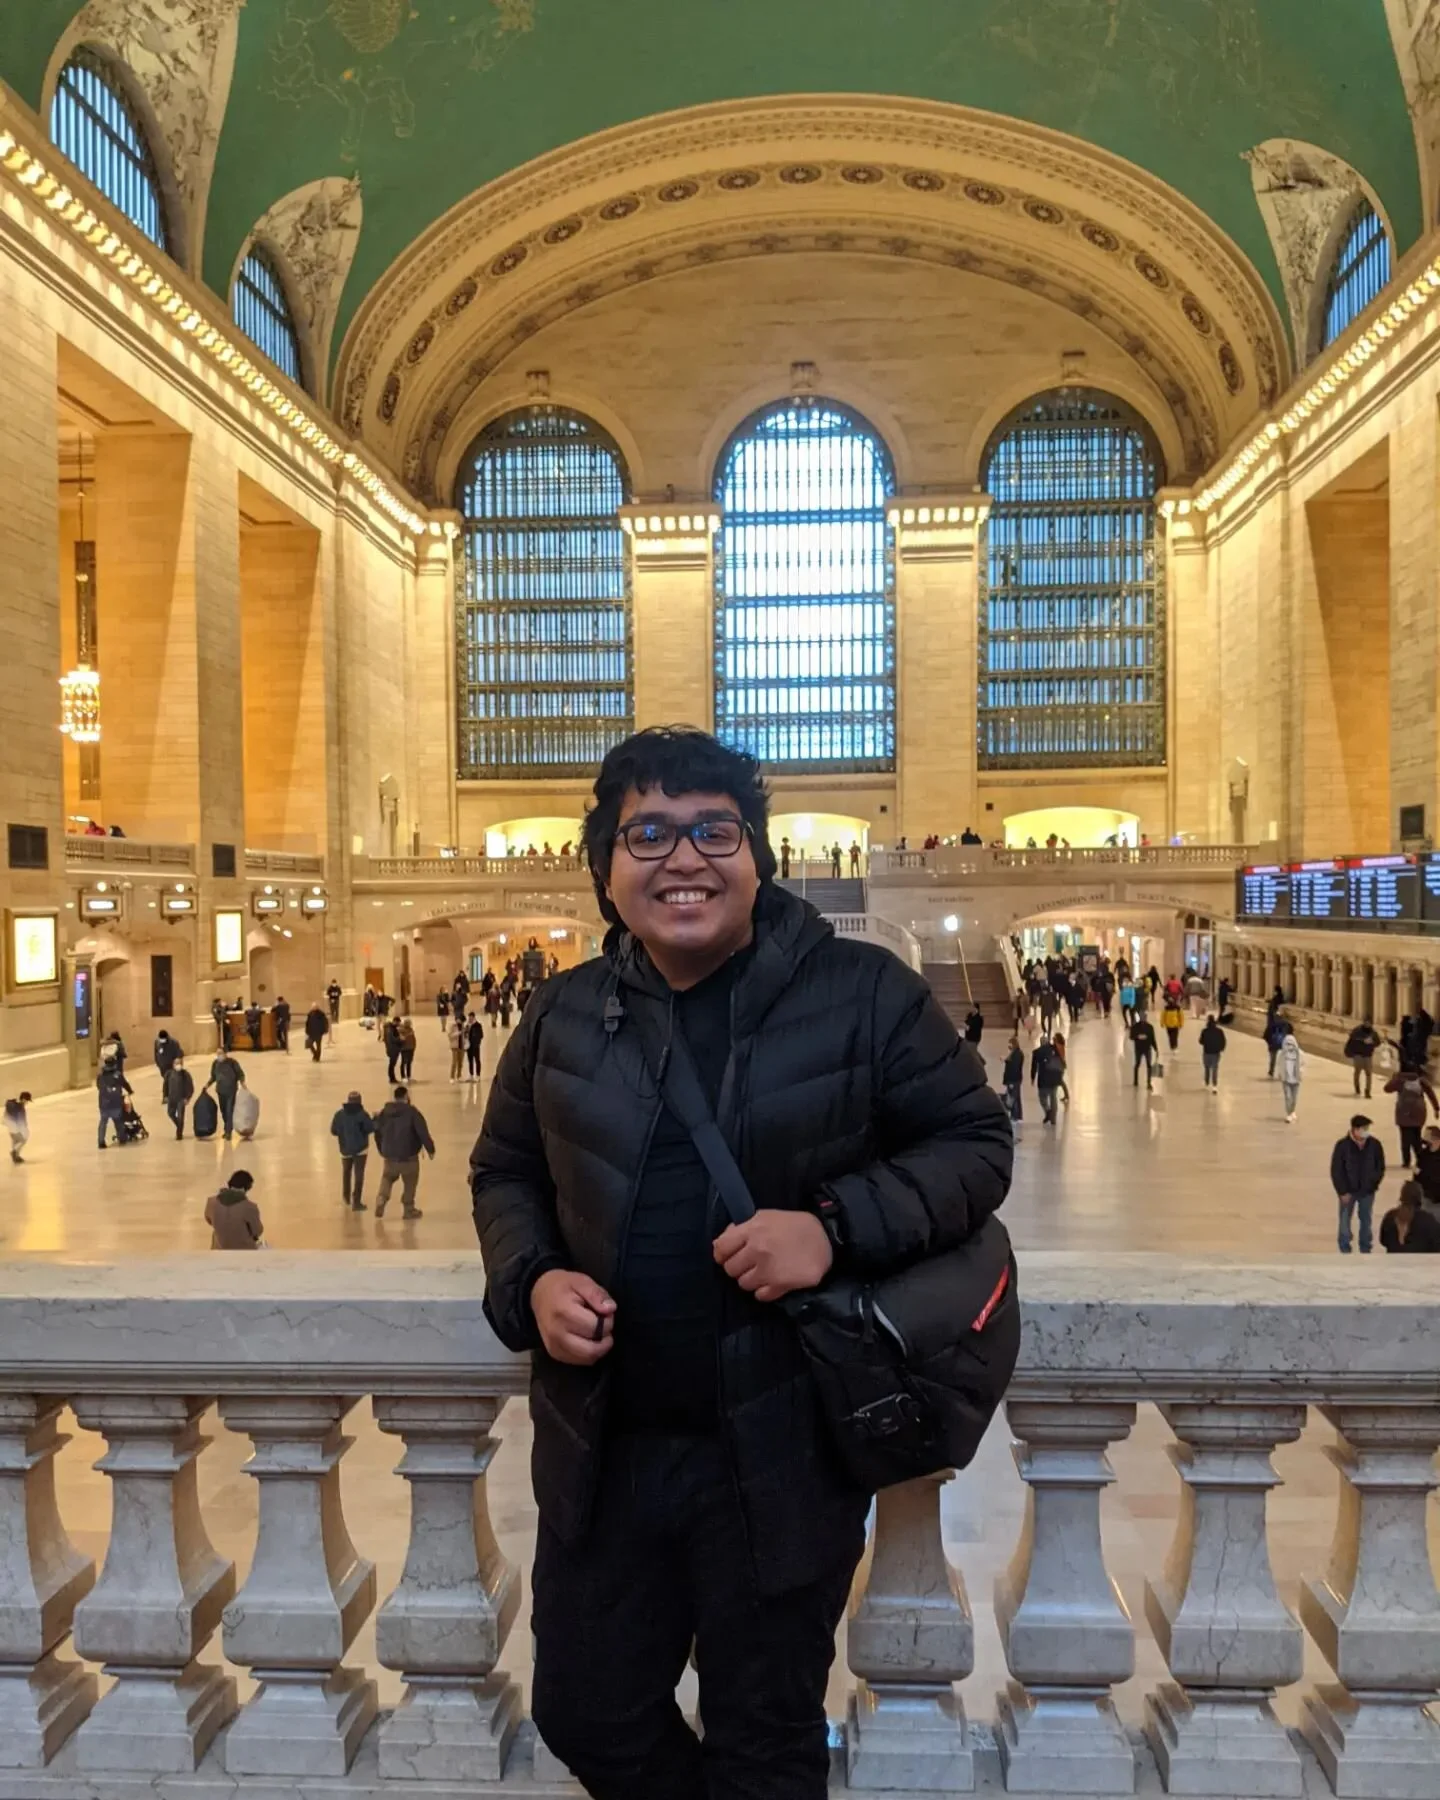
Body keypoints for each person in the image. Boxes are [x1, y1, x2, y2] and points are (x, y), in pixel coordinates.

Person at [470, 725, 1012, 1800]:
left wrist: (832, 1226)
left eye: (714, 829)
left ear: (758, 855)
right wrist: (529, 1280)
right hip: (606, 1450)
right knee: (586, 1710)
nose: (683, 858)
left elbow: (975, 1145)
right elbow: (506, 1170)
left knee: (764, 1742)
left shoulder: (861, 993)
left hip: (781, 1448)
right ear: (606, 871)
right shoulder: (565, 1012)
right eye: (649, 834)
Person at [374, 1085, 433, 1220]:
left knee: (387, 1178)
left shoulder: (384, 1112)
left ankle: (382, 1198)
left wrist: (382, 1149)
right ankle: (408, 1209)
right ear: (406, 1097)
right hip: (409, 1156)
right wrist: (430, 1149)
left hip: (390, 1156)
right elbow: (422, 1131)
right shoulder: (413, 1113)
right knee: (410, 1182)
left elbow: (377, 1131)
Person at [1332, 1115, 1385, 1255]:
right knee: (1344, 1220)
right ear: (1354, 1130)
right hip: (1347, 1192)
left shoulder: (1374, 1145)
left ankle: (1365, 1247)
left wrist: (1373, 1184)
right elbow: (1336, 1170)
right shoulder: (1342, 1146)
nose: (1366, 1131)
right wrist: (1342, 1191)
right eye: (1364, 1129)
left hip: (1367, 1191)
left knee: (1366, 1220)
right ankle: (1344, 1247)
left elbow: (1380, 1167)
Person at [1385, 1062, 1439, 1167]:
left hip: (1403, 1112)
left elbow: (1387, 1089)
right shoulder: (1421, 1080)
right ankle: (1420, 1159)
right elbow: (1431, 1094)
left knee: (1405, 1138)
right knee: (1417, 1138)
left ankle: (1406, 1161)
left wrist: (1395, 1077)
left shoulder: (1400, 1081)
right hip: (1419, 1112)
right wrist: (1436, 1109)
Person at [330, 1091, 374, 1211]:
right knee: (359, 1174)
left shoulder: (339, 1115)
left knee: (346, 1172)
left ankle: (346, 1197)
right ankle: (357, 1201)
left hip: (345, 1149)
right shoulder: (363, 1115)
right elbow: (370, 1128)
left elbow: (333, 1130)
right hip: (361, 1150)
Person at [204, 1169, 264, 1250]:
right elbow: (257, 1231)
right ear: (247, 1187)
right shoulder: (250, 1207)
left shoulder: (211, 1202)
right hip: (244, 1250)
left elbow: (209, 1220)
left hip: (219, 1249)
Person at [1380, 1179, 1440, 1253]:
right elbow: (1436, 1245)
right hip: (1421, 1262)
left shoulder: (1390, 1216)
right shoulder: (1429, 1220)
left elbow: (1383, 1241)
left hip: (1393, 1261)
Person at [204, 1048, 246, 1141]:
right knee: (223, 1111)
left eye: (221, 1053)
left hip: (231, 1091)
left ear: (225, 1054)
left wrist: (243, 1084)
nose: (219, 1055)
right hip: (220, 1091)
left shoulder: (232, 1063)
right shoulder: (215, 1064)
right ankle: (227, 1128)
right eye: (218, 1053)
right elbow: (213, 1077)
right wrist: (207, 1085)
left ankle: (228, 1132)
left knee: (229, 1111)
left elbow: (240, 1074)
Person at [96, 1052, 132, 1149]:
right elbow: (124, 1083)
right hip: (115, 1102)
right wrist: (130, 1091)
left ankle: (101, 1141)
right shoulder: (118, 1074)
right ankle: (122, 1138)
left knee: (103, 1122)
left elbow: (98, 1086)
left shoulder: (100, 1075)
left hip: (104, 1102)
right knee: (118, 1121)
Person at [1345, 1018, 1382, 1099]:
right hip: (1358, 1055)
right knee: (1357, 1071)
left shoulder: (1373, 1033)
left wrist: (1372, 1042)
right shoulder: (1357, 1030)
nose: (1367, 1024)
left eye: (1369, 1023)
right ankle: (1357, 1087)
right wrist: (1362, 1041)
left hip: (1368, 1055)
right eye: (1366, 1023)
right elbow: (1352, 1040)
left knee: (1368, 1073)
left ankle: (1367, 1091)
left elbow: (1378, 1042)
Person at [164, 1057, 194, 1139]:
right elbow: (165, 1086)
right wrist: (165, 1096)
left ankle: (179, 1134)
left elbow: (190, 1087)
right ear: (173, 1065)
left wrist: (187, 1098)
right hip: (171, 1098)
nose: (178, 1065)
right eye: (176, 1063)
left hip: (181, 1099)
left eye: (180, 1063)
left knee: (181, 1116)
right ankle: (179, 1126)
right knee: (170, 1113)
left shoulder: (185, 1075)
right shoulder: (169, 1074)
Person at [1279, 1031, 1304, 1123]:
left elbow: (1302, 1064)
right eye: (1287, 1044)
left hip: (1296, 1080)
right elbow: (1280, 1065)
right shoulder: (1282, 1054)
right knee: (1288, 1097)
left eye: (1291, 1044)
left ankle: (1292, 1111)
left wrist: (1301, 1073)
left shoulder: (1300, 1054)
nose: (1289, 1046)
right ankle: (1289, 1114)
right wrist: (1281, 1074)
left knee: (1294, 1098)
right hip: (1286, 1080)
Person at [1130, 1012, 1158, 1089]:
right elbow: (1131, 1036)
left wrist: (1156, 1048)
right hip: (1138, 1048)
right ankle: (1135, 1080)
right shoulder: (1135, 1027)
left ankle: (1149, 1082)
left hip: (1147, 1048)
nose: (1143, 1019)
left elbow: (1153, 1038)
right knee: (1137, 1064)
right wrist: (1138, 1037)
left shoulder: (1150, 1027)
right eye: (1142, 1017)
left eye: (1144, 1017)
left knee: (1149, 1065)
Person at [1198, 1015, 1226, 1090]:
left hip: (1207, 1052)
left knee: (1207, 1068)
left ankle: (1206, 1082)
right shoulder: (1220, 1031)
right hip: (1216, 1053)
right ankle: (1214, 1086)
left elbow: (1201, 1041)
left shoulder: (1204, 1031)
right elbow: (1223, 1041)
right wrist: (1221, 1048)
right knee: (1215, 1068)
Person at [1001, 1036, 1023, 1124]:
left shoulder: (1016, 1054)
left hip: (1013, 1079)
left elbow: (1014, 1067)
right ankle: (1018, 1116)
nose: (1008, 1045)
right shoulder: (1015, 1053)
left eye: (1010, 1044)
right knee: (1016, 1097)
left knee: (1013, 1098)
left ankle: (1015, 1116)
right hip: (1015, 1079)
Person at [1417, 1125, 1440, 1209]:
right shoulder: (1423, 1154)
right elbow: (1417, 1172)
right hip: (1426, 1195)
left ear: (1435, 1138)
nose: (1423, 1138)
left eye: (1426, 1136)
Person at [4, 1093, 30, 1164]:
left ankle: (16, 1157)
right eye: (27, 1101)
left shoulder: (11, 1104)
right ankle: (14, 1152)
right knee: (23, 1140)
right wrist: (24, 1127)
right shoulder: (20, 1108)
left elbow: (6, 1115)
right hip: (15, 1127)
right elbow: (21, 1120)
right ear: (24, 1099)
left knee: (15, 1141)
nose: (27, 1103)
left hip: (10, 1127)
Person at [1264, 1010, 1289, 1079]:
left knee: (1273, 1059)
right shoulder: (1286, 1025)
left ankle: (1272, 1071)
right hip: (1281, 1044)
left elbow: (1265, 1035)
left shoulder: (1271, 1025)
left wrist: (1269, 1042)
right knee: (1282, 1059)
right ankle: (1281, 1072)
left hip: (1273, 1045)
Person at [447, 1009, 465, 1080]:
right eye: (459, 1019)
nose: (460, 1021)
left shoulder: (463, 1026)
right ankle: (452, 1077)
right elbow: (450, 1036)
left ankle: (459, 1076)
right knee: (454, 1062)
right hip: (454, 1046)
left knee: (460, 1062)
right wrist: (458, 1033)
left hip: (462, 1046)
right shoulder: (453, 1026)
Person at [466, 1011, 484, 1079]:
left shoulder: (478, 1025)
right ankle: (471, 1074)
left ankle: (478, 1075)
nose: (470, 1019)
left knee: (477, 1060)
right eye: (469, 1017)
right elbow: (465, 1034)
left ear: (473, 1017)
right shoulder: (467, 1025)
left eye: (471, 1017)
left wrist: (477, 1041)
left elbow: (481, 1035)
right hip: (469, 1046)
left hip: (475, 1046)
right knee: (470, 1060)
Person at [399, 1016, 417, 1081]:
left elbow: (413, 1038)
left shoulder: (411, 1029)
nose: (409, 1024)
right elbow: (401, 1038)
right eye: (408, 1023)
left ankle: (409, 1076)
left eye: (409, 1023)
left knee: (409, 1062)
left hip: (411, 1048)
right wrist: (408, 1035)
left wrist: (414, 1046)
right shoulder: (401, 1030)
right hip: (404, 1049)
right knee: (403, 1062)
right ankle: (403, 1076)